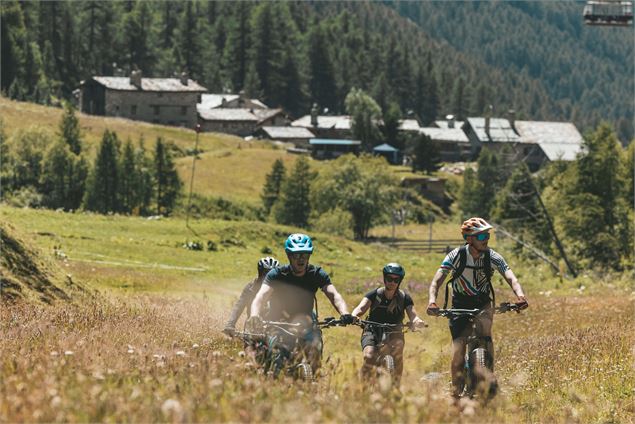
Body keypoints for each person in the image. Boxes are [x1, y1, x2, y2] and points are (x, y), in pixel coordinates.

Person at [426, 217, 528, 398]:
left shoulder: (492, 256)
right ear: (469, 239)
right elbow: (436, 281)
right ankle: (456, 390)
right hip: (460, 305)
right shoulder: (456, 256)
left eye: (487, 235)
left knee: (486, 339)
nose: (486, 239)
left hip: (483, 303)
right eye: (481, 236)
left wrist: (520, 295)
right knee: (458, 352)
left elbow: (511, 276)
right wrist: (432, 301)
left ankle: (490, 376)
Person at [250, 233, 354, 372]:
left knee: (315, 352)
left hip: (307, 322)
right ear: (289, 255)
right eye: (296, 255)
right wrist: (254, 315)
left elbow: (334, 295)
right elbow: (261, 297)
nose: (301, 259)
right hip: (279, 323)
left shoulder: (317, 274)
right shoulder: (277, 275)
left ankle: (313, 383)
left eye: (304, 254)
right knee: (278, 358)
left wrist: (345, 313)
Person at [351, 263, 426, 387]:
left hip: (395, 332)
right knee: (369, 356)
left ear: (400, 281)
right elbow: (360, 308)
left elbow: (413, 314)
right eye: (389, 279)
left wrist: (417, 321)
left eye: (396, 280)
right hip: (372, 330)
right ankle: (363, 388)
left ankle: (396, 386)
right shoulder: (374, 294)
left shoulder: (404, 298)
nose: (392, 282)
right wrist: (354, 316)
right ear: (384, 278)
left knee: (398, 352)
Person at [223, 256, 280, 337]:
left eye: (272, 274)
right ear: (260, 273)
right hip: (252, 327)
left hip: (274, 326)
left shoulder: (279, 289)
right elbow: (239, 306)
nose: (269, 277)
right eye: (266, 273)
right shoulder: (250, 288)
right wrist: (230, 324)